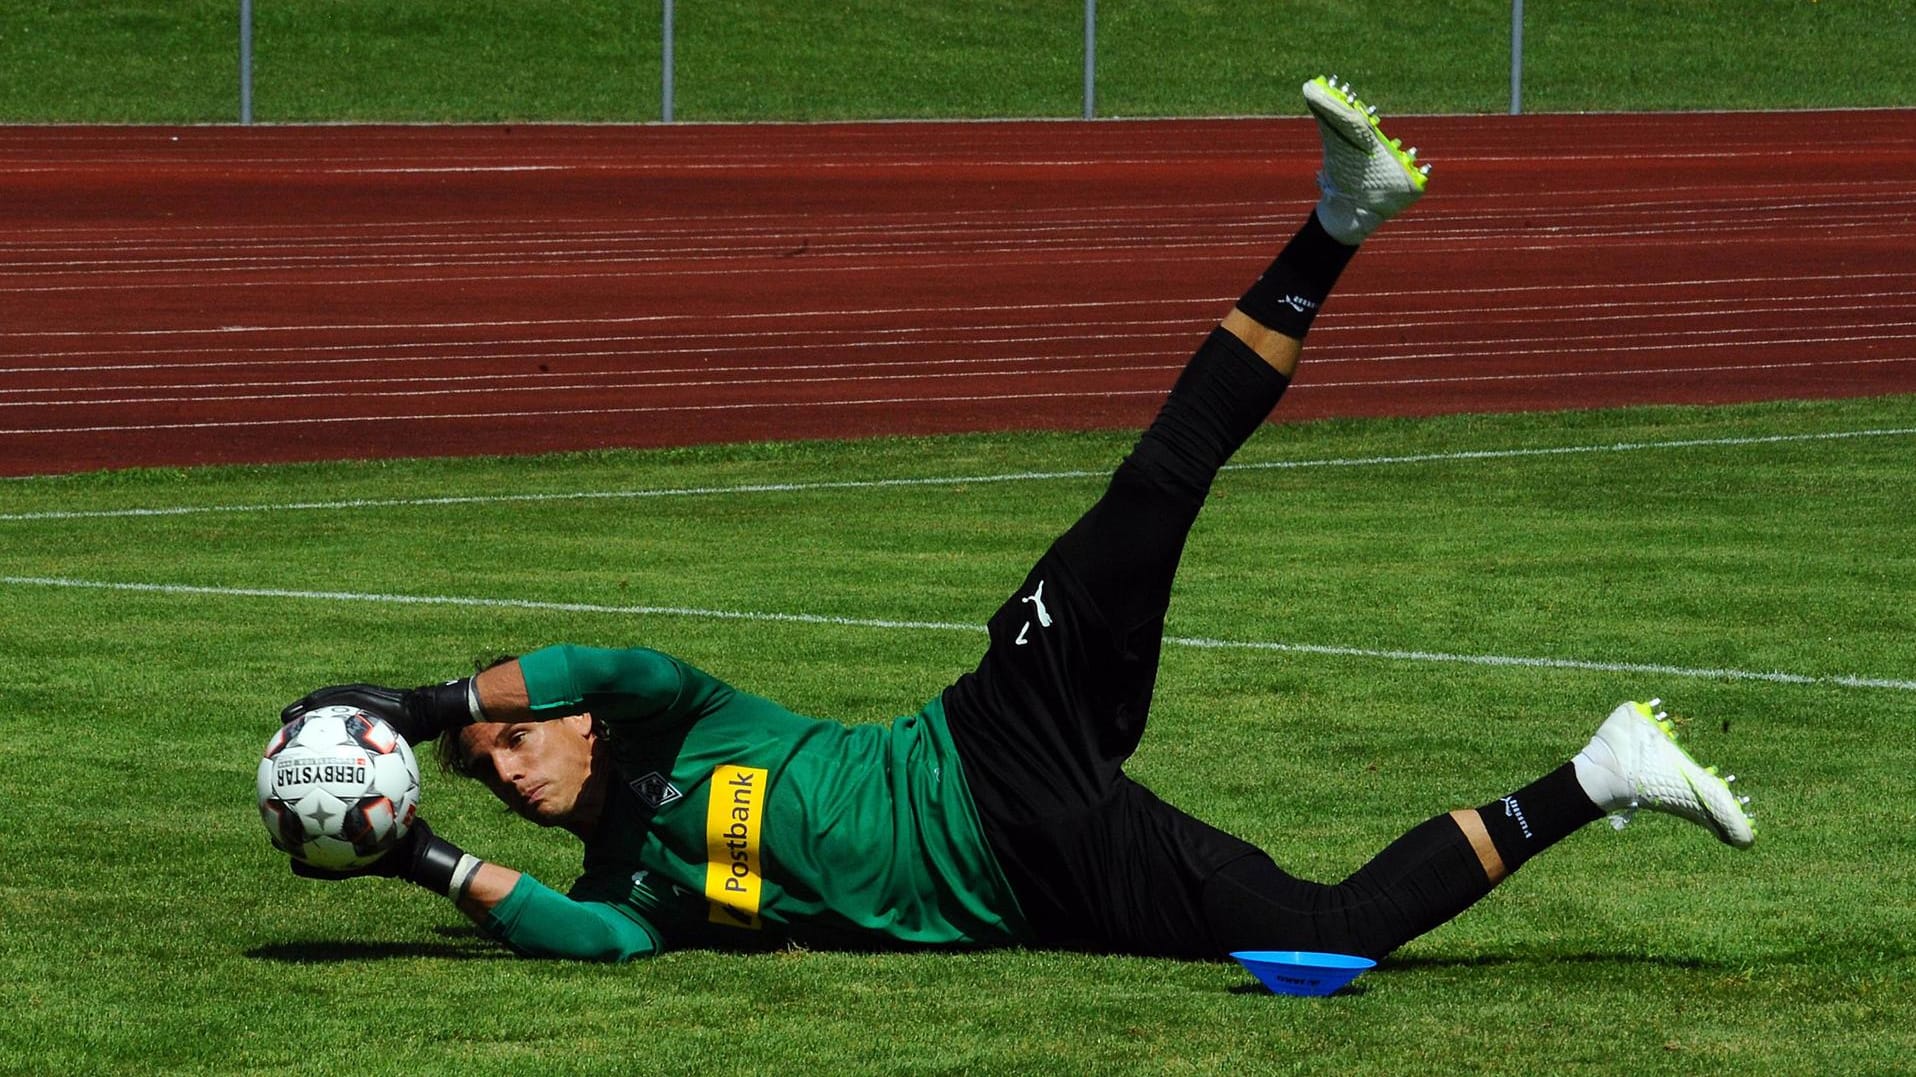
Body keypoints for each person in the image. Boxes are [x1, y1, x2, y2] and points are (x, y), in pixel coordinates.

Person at [280, 77, 1754, 963]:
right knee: (1327, 935)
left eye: (516, 732)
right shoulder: (632, 878)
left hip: (992, 735)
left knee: (1151, 492)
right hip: (1040, 875)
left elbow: (609, 657)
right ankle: (1604, 769)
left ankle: (1341, 216)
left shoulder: (675, 715)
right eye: (487, 764)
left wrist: (413, 705)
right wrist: (416, 855)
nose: (510, 761)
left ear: (579, 723)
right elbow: (592, 940)